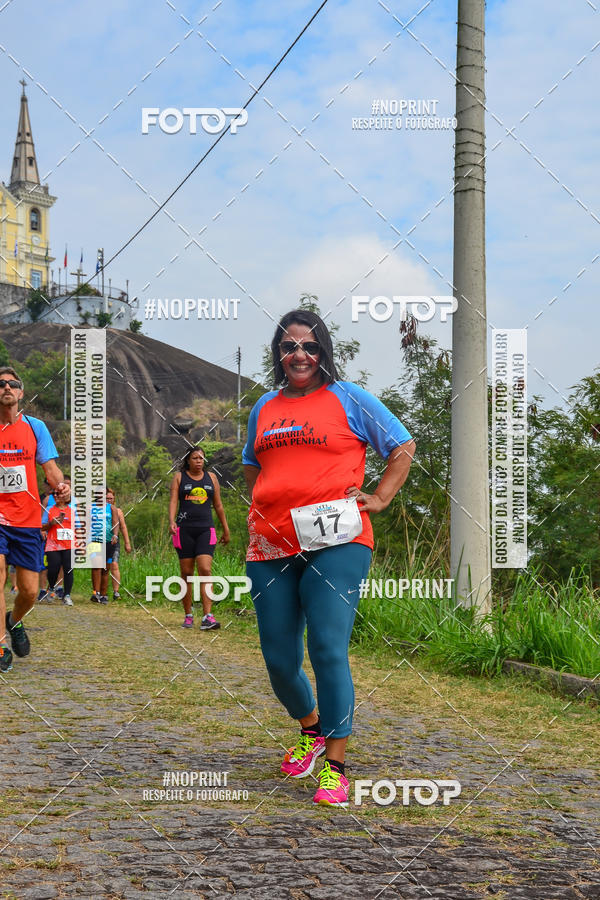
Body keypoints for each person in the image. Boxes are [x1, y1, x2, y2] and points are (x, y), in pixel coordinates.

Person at [243, 309, 415, 808]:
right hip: (271, 545)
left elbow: (401, 445)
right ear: (278, 352)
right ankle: (311, 729)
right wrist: (267, 509)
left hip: (336, 539)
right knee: (279, 659)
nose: (300, 355)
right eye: (290, 346)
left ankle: (336, 765)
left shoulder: (349, 397)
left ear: (324, 353)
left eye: (310, 346)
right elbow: (255, 467)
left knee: (327, 648)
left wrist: (380, 497)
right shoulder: (264, 407)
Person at [0, 366, 68, 671]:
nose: (6, 388)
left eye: (12, 384)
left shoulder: (35, 427)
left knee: (28, 591)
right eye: (0, 384)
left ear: (21, 393)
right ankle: (1, 645)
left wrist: (61, 486)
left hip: (27, 520)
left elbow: (50, 469)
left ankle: (14, 622)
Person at [169, 447, 230, 630]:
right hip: (184, 530)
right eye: (195, 458)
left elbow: (218, 505)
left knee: (205, 569)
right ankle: (188, 615)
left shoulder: (211, 478)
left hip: (206, 529)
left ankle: (208, 616)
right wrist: (172, 521)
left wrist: (225, 529)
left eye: (201, 458)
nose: (198, 461)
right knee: (187, 573)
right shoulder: (180, 477)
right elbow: (173, 501)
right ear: (188, 460)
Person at [42, 482, 75, 605]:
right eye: (54, 493)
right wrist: (51, 524)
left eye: (58, 493)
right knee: (53, 569)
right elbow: (42, 526)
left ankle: (67, 595)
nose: (55, 495)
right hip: (53, 544)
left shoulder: (72, 510)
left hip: (69, 544)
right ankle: (51, 587)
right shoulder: (50, 509)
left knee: (68, 569)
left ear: (65, 496)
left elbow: (79, 528)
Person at [89, 489, 119, 604]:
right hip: (95, 540)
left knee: (105, 569)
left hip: (108, 541)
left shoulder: (111, 508)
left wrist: (115, 535)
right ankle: (95, 593)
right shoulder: (91, 508)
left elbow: (116, 522)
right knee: (96, 566)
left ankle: (103, 594)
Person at [105, 488, 132, 600]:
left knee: (114, 565)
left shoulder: (118, 511)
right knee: (103, 567)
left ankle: (116, 592)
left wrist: (127, 543)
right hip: (101, 541)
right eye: (107, 498)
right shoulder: (97, 509)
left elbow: (123, 527)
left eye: (111, 498)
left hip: (114, 542)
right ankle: (102, 592)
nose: (109, 500)